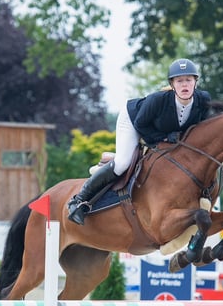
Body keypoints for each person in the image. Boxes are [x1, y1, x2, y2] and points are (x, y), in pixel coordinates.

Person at [67, 58, 213, 225]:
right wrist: (163, 138)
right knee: (122, 163)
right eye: (179, 81)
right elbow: (140, 124)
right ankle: (79, 201)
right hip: (133, 120)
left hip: (158, 129)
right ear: (172, 84)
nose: (184, 85)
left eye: (188, 80)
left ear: (196, 82)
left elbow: (199, 129)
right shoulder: (158, 99)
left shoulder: (203, 100)